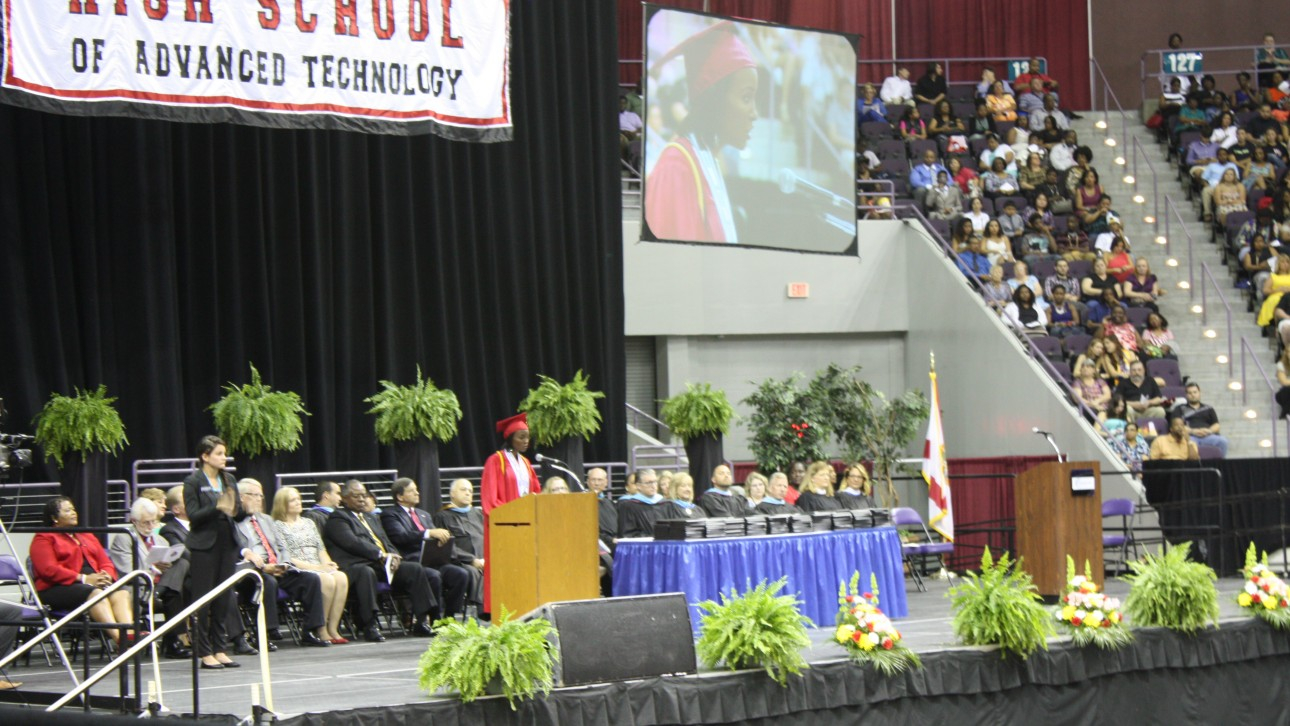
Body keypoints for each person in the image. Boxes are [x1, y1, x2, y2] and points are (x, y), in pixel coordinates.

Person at [645, 22, 760, 243]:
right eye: (746, 98)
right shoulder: (677, 167)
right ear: (715, 101)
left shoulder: (707, 160)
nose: (754, 114)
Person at [324, 480, 434, 640]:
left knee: (414, 569)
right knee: (366, 573)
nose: (362, 499)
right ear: (344, 498)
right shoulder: (338, 518)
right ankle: (370, 625)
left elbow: (385, 540)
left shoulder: (371, 517)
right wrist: (380, 555)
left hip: (382, 564)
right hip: (356, 566)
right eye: (356, 496)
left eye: (364, 495)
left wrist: (394, 555)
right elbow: (352, 543)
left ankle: (422, 621)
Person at [231, 479, 331, 648]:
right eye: (255, 495)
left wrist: (283, 563)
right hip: (252, 572)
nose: (259, 499)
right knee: (267, 582)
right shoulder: (232, 522)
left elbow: (281, 546)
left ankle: (309, 631)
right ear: (241, 497)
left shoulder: (267, 520)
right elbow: (234, 552)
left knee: (311, 579)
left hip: (277, 568)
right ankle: (265, 634)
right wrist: (262, 567)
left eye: (261, 496)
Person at [30, 497, 135, 645]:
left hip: (93, 583)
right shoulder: (44, 537)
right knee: (95, 593)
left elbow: (105, 561)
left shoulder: (86, 535)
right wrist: (84, 579)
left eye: (73, 509)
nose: (73, 513)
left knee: (121, 593)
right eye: (67, 510)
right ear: (54, 518)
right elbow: (48, 570)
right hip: (56, 588)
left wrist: (106, 575)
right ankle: (119, 639)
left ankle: (130, 634)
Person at [181, 435, 242, 669]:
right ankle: (203, 651)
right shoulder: (193, 481)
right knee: (203, 600)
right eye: (218, 453)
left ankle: (220, 648)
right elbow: (194, 515)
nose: (223, 457)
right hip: (204, 545)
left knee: (224, 598)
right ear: (204, 456)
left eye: (224, 453)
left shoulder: (229, 479)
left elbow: (235, 513)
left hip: (228, 542)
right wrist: (216, 505)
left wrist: (243, 508)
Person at [108, 497, 191, 658]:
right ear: (133, 521)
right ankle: (172, 641)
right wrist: (153, 568)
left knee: (181, 564)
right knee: (175, 594)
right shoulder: (124, 538)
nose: (151, 527)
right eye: (146, 522)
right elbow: (127, 571)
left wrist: (166, 565)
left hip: (160, 586)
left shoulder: (160, 539)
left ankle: (161, 593)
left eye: (154, 522)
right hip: (138, 588)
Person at [381, 477, 471, 621]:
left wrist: (442, 539)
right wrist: (428, 533)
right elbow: (400, 536)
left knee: (460, 574)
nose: (417, 493)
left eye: (417, 490)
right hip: (413, 561)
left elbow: (435, 535)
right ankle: (434, 619)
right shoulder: (390, 514)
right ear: (400, 496)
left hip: (433, 559)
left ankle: (449, 618)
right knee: (434, 576)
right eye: (412, 491)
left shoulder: (424, 514)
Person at [271, 486, 351, 644]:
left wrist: (328, 564)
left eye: (299, 499)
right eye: (293, 500)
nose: (298, 502)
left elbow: (320, 548)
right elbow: (287, 556)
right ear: (282, 504)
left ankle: (333, 628)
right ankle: (320, 629)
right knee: (326, 580)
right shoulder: (277, 526)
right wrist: (318, 569)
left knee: (341, 577)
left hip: (317, 564)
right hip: (298, 569)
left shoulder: (308, 522)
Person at [479, 413, 540, 611]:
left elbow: (535, 492)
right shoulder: (496, 461)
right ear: (510, 437)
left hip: (527, 526)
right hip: (505, 527)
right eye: (521, 437)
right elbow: (490, 498)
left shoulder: (526, 463)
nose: (525, 441)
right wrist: (511, 517)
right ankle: (503, 608)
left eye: (527, 437)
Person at [1171, 383, 1229, 458]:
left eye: (1195, 392)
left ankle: (1220, 465)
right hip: (1190, 436)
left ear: (1199, 393)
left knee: (1223, 441)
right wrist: (1193, 431)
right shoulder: (1179, 408)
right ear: (1186, 395)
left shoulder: (1208, 408)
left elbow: (1217, 425)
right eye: (1190, 393)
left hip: (1208, 435)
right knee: (1186, 443)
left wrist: (1209, 431)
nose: (1193, 395)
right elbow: (1177, 426)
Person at [617, 468, 664, 537]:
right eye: (649, 483)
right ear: (638, 486)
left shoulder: (666, 504)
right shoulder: (629, 506)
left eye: (655, 482)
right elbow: (628, 534)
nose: (653, 486)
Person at [586, 467, 618, 548]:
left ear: (606, 482)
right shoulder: (583, 504)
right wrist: (609, 540)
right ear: (588, 482)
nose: (596, 483)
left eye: (600, 480)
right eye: (593, 480)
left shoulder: (610, 503)